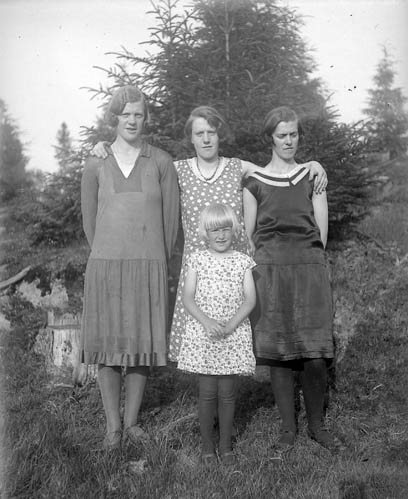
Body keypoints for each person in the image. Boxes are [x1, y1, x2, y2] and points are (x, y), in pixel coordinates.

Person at [91, 106, 328, 362]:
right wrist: (106, 147)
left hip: (233, 270)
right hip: (198, 271)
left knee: (234, 341)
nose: (206, 139)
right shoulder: (177, 170)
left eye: (211, 132)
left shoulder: (238, 167)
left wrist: (312, 165)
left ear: (219, 135)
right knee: (201, 345)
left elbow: (278, 170)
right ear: (191, 138)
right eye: (199, 133)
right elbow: (136, 165)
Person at [80, 85, 179, 450]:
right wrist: (109, 253)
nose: (132, 121)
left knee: (141, 345)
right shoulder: (96, 162)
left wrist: (154, 260)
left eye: (138, 114)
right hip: (106, 266)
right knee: (107, 347)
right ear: (115, 119)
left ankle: (133, 421)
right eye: (126, 115)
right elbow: (89, 220)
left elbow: (171, 222)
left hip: (148, 265)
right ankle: (113, 427)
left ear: (145, 118)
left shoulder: (161, 162)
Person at [243, 106, 337, 451]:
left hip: (308, 268)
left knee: (315, 350)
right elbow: (249, 235)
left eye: (293, 134)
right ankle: (288, 429)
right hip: (270, 271)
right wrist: (266, 266)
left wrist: (309, 261)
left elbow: (321, 232)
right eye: (281, 135)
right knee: (278, 351)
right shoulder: (254, 182)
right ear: (270, 138)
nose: (288, 141)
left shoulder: (312, 176)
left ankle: (317, 426)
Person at [177, 203, 256, 465]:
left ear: (233, 231)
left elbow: (250, 300)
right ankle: (207, 447)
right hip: (206, 334)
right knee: (208, 392)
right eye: (214, 230)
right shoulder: (197, 260)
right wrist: (207, 322)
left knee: (228, 393)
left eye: (225, 229)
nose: (221, 235)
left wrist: (231, 324)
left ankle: (226, 446)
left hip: (233, 334)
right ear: (205, 233)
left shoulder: (242, 261)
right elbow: (188, 298)